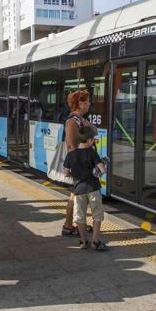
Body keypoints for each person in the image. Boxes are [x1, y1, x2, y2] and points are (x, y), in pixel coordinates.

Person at [64, 126, 107, 250]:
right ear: (88, 140)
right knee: (97, 215)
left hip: (78, 190)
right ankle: (95, 241)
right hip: (93, 188)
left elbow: (66, 172)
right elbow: (102, 170)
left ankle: (83, 242)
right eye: (93, 139)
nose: (93, 141)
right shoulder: (92, 152)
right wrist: (103, 167)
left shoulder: (71, 155)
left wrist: (76, 175)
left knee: (79, 217)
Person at [61, 89, 95, 237]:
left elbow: (94, 132)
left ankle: (77, 223)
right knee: (76, 195)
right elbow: (70, 145)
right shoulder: (72, 121)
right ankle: (68, 226)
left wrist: (87, 123)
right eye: (87, 101)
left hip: (83, 163)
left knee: (80, 196)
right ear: (80, 103)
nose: (89, 103)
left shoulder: (81, 119)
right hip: (79, 164)